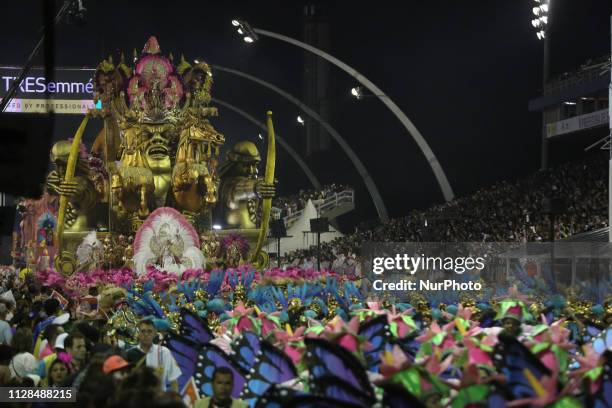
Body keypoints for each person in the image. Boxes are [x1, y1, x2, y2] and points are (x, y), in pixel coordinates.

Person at [133, 318, 181, 392]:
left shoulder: (164, 352)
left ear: (155, 333)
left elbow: (173, 380)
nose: (146, 334)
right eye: (143, 331)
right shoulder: (130, 354)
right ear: (138, 333)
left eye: (149, 331)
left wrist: (176, 400)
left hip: (159, 399)